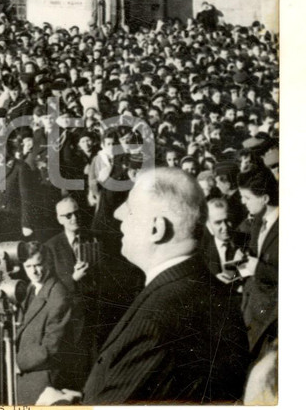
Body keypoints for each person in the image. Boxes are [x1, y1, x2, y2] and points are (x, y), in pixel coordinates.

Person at [79, 168, 249, 404]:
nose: (117, 214)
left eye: (129, 210)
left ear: (156, 229)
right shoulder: (212, 291)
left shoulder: (156, 322)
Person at [15, 241, 83, 404]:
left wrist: (19, 362)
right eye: (29, 266)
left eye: (38, 265)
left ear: (48, 263)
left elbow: (51, 348)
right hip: (29, 378)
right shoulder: (31, 289)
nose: (34, 272)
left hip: (44, 382)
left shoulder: (58, 294)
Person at [237, 168, 278, 358]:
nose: (242, 202)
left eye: (247, 197)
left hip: (271, 319)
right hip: (252, 309)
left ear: (265, 199)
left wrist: (258, 269)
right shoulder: (258, 221)